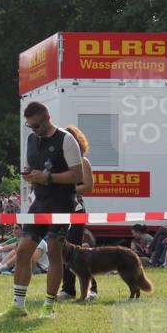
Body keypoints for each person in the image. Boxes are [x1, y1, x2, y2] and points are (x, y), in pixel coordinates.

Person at [5, 102, 83, 318]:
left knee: (54, 253)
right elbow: (35, 168)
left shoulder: (66, 140)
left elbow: (77, 175)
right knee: (22, 252)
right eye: (30, 126)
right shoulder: (31, 139)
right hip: (38, 204)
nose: (34, 130)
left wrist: (48, 178)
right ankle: (18, 306)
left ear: (47, 118)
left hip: (61, 205)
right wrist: (31, 175)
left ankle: (49, 305)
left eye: (37, 125)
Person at [57, 125, 98, 301]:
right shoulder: (59, 163)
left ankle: (92, 288)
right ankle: (68, 289)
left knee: (76, 250)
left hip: (76, 209)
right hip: (59, 208)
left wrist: (67, 187)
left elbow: (88, 186)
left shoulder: (83, 162)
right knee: (61, 250)